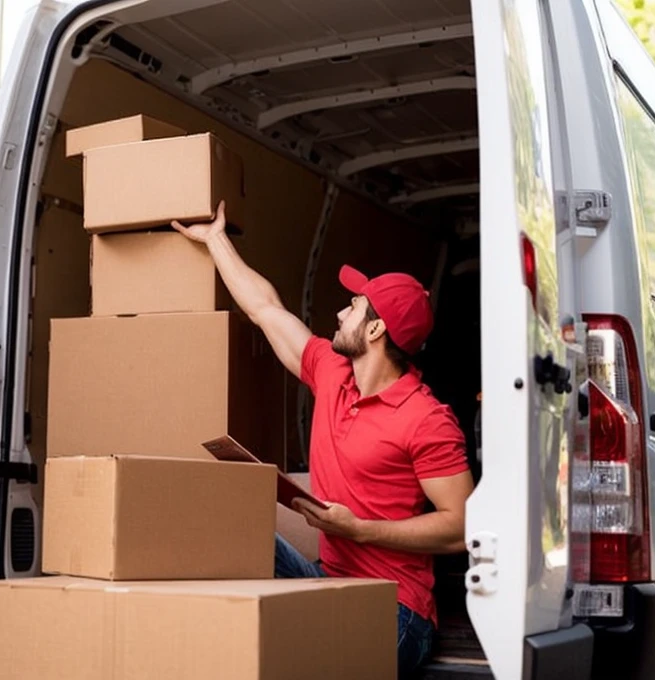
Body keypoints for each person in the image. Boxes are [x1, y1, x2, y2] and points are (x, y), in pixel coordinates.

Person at [173, 201, 475, 677]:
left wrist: (361, 530)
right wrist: (215, 239)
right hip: (327, 582)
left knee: (293, 654)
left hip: (395, 611)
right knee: (220, 520)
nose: (339, 312)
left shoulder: (427, 419)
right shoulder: (332, 371)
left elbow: (462, 528)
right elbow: (265, 309)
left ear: (375, 329)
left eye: (353, 307)